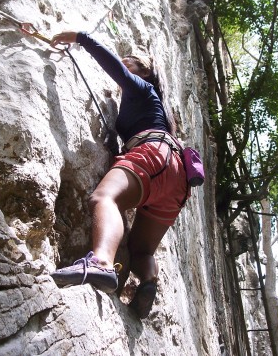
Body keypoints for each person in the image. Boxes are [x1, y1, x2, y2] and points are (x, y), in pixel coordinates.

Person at [49, 31, 189, 319]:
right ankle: (148, 281)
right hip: (177, 180)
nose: (124, 68)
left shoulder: (143, 89)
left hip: (153, 155)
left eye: (130, 64)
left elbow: (111, 64)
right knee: (142, 250)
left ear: (144, 71)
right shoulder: (157, 110)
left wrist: (81, 38)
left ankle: (100, 263)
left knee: (104, 199)